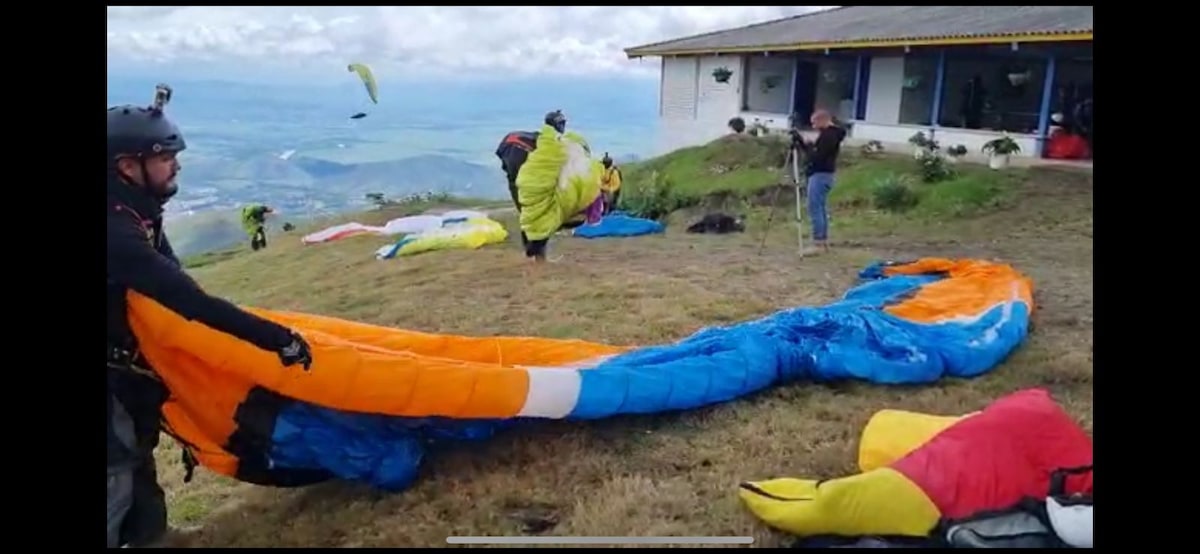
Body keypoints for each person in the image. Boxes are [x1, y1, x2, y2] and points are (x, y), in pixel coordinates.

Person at [107, 93, 314, 549]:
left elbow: (174, 276)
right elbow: (190, 301)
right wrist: (277, 339)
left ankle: (151, 538)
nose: (175, 166)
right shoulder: (115, 230)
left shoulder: (137, 211)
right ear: (127, 166)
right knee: (114, 468)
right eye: (164, 157)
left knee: (136, 454)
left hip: (122, 365)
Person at [794, 109, 846, 254]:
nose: (814, 127)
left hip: (820, 174)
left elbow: (817, 156)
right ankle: (822, 241)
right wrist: (804, 144)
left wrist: (809, 147)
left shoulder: (829, 136)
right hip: (824, 174)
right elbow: (816, 153)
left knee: (814, 207)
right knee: (820, 208)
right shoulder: (830, 135)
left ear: (823, 120)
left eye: (814, 123)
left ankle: (818, 243)